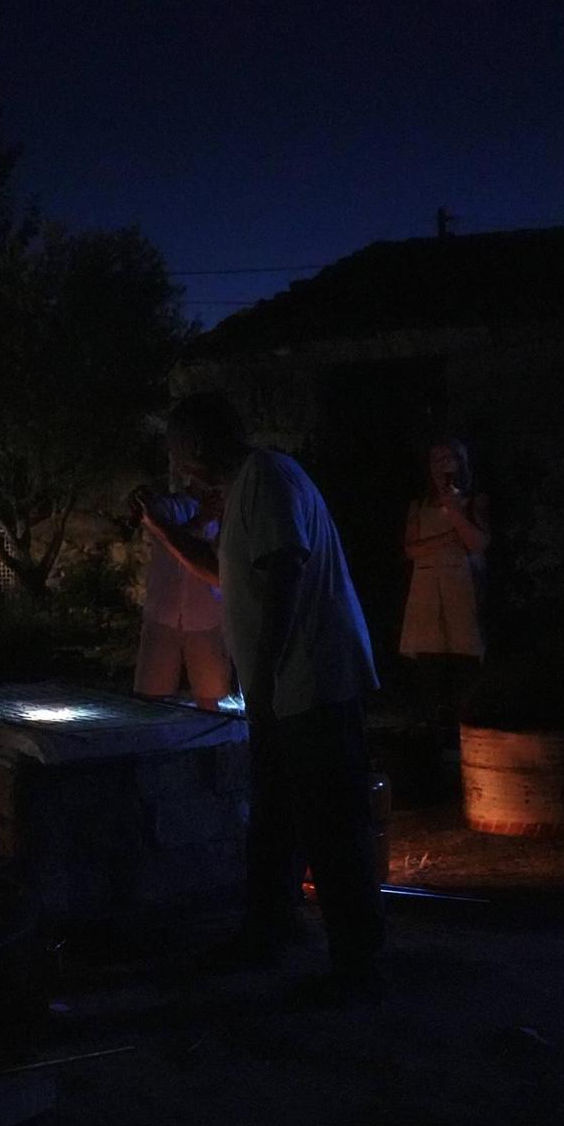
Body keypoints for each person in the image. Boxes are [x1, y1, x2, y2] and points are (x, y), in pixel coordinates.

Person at [144, 394, 385, 999]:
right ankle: (269, 931)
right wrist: (163, 529)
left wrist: (270, 679)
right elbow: (228, 573)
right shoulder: (250, 488)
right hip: (282, 690)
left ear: (197, 447)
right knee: (276, 818)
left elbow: (282, 571)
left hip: (311, 684)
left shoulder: (270, 479)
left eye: (177, 451)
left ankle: (356, 965)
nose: (176, 468)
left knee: (330, 824)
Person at [399, 438, 488, 728]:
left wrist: (455, 512)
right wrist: (449, 539)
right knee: (430, 671)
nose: (443, 465)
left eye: (449, 458)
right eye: (436, 459)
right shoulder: (419, 505)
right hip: (426, 597)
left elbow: (477, 543)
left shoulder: (473, 502)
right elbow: (412, 549)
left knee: (464, 668)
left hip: (460, 591)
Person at [128, 471, 233, 709]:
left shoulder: (228, 512)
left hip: (206, 616)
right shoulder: (167, 506)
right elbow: (168, 540)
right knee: (149, 698)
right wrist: (201, 519)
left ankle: (211, 743)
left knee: (211, 698)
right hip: (161, 614)